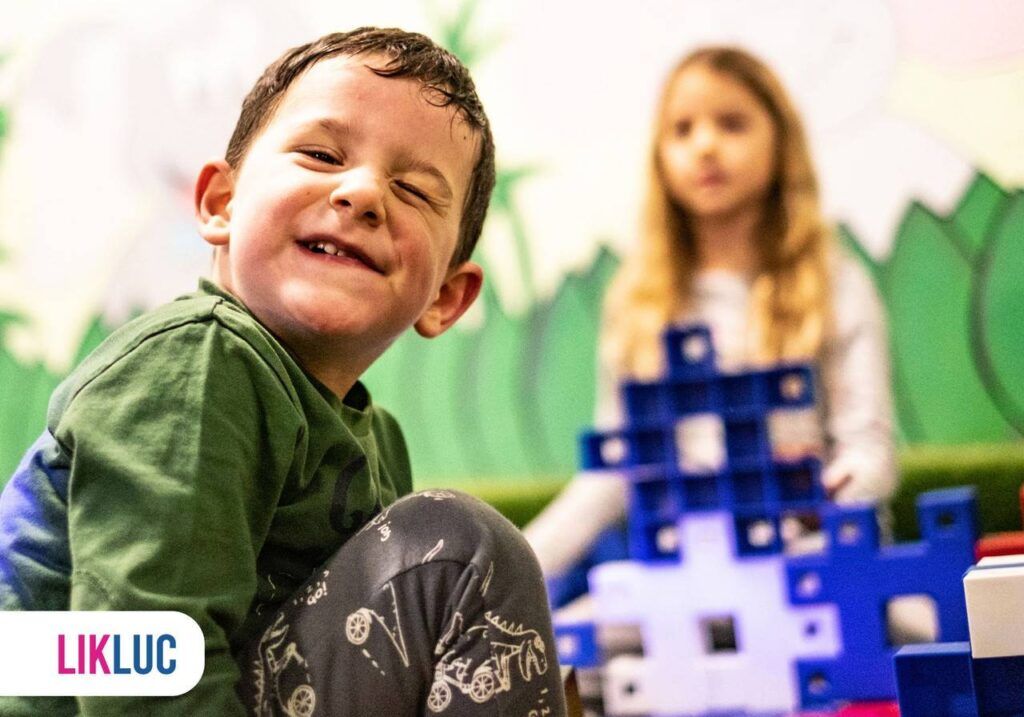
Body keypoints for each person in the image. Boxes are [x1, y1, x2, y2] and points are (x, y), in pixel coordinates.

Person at [0, 28, 566, 717]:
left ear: (446, 296)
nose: (362, 193)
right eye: (322, 154)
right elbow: (140, 660)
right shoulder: (194, 365)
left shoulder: (376, 440)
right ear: (219, 204)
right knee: (459, 552)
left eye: (414, 190)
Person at [524, 46, 897, 580]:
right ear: (660, 155)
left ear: (780, 141)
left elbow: (868, 447)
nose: (704, 146)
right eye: (682, 129)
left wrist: (828, 495)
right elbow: (619, 469)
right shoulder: (639, 299)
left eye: (732, 124)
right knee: (579, 649)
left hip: (817, 563)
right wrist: (515, 563)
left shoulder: (832, 281)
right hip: (685, 574)